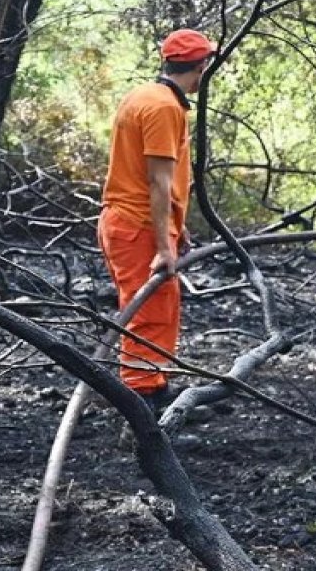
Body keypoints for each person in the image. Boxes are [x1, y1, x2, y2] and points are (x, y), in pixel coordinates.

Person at [98, 28, 215, 412]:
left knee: (160, 309)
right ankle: (141, 415)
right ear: (200, 67)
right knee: (146, 316)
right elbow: (158, 182)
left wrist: (176, 232)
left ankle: (156, 390)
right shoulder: (163, 107)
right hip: (138, 227)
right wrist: (164, 246)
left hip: (133, 223)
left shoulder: (147, 95)